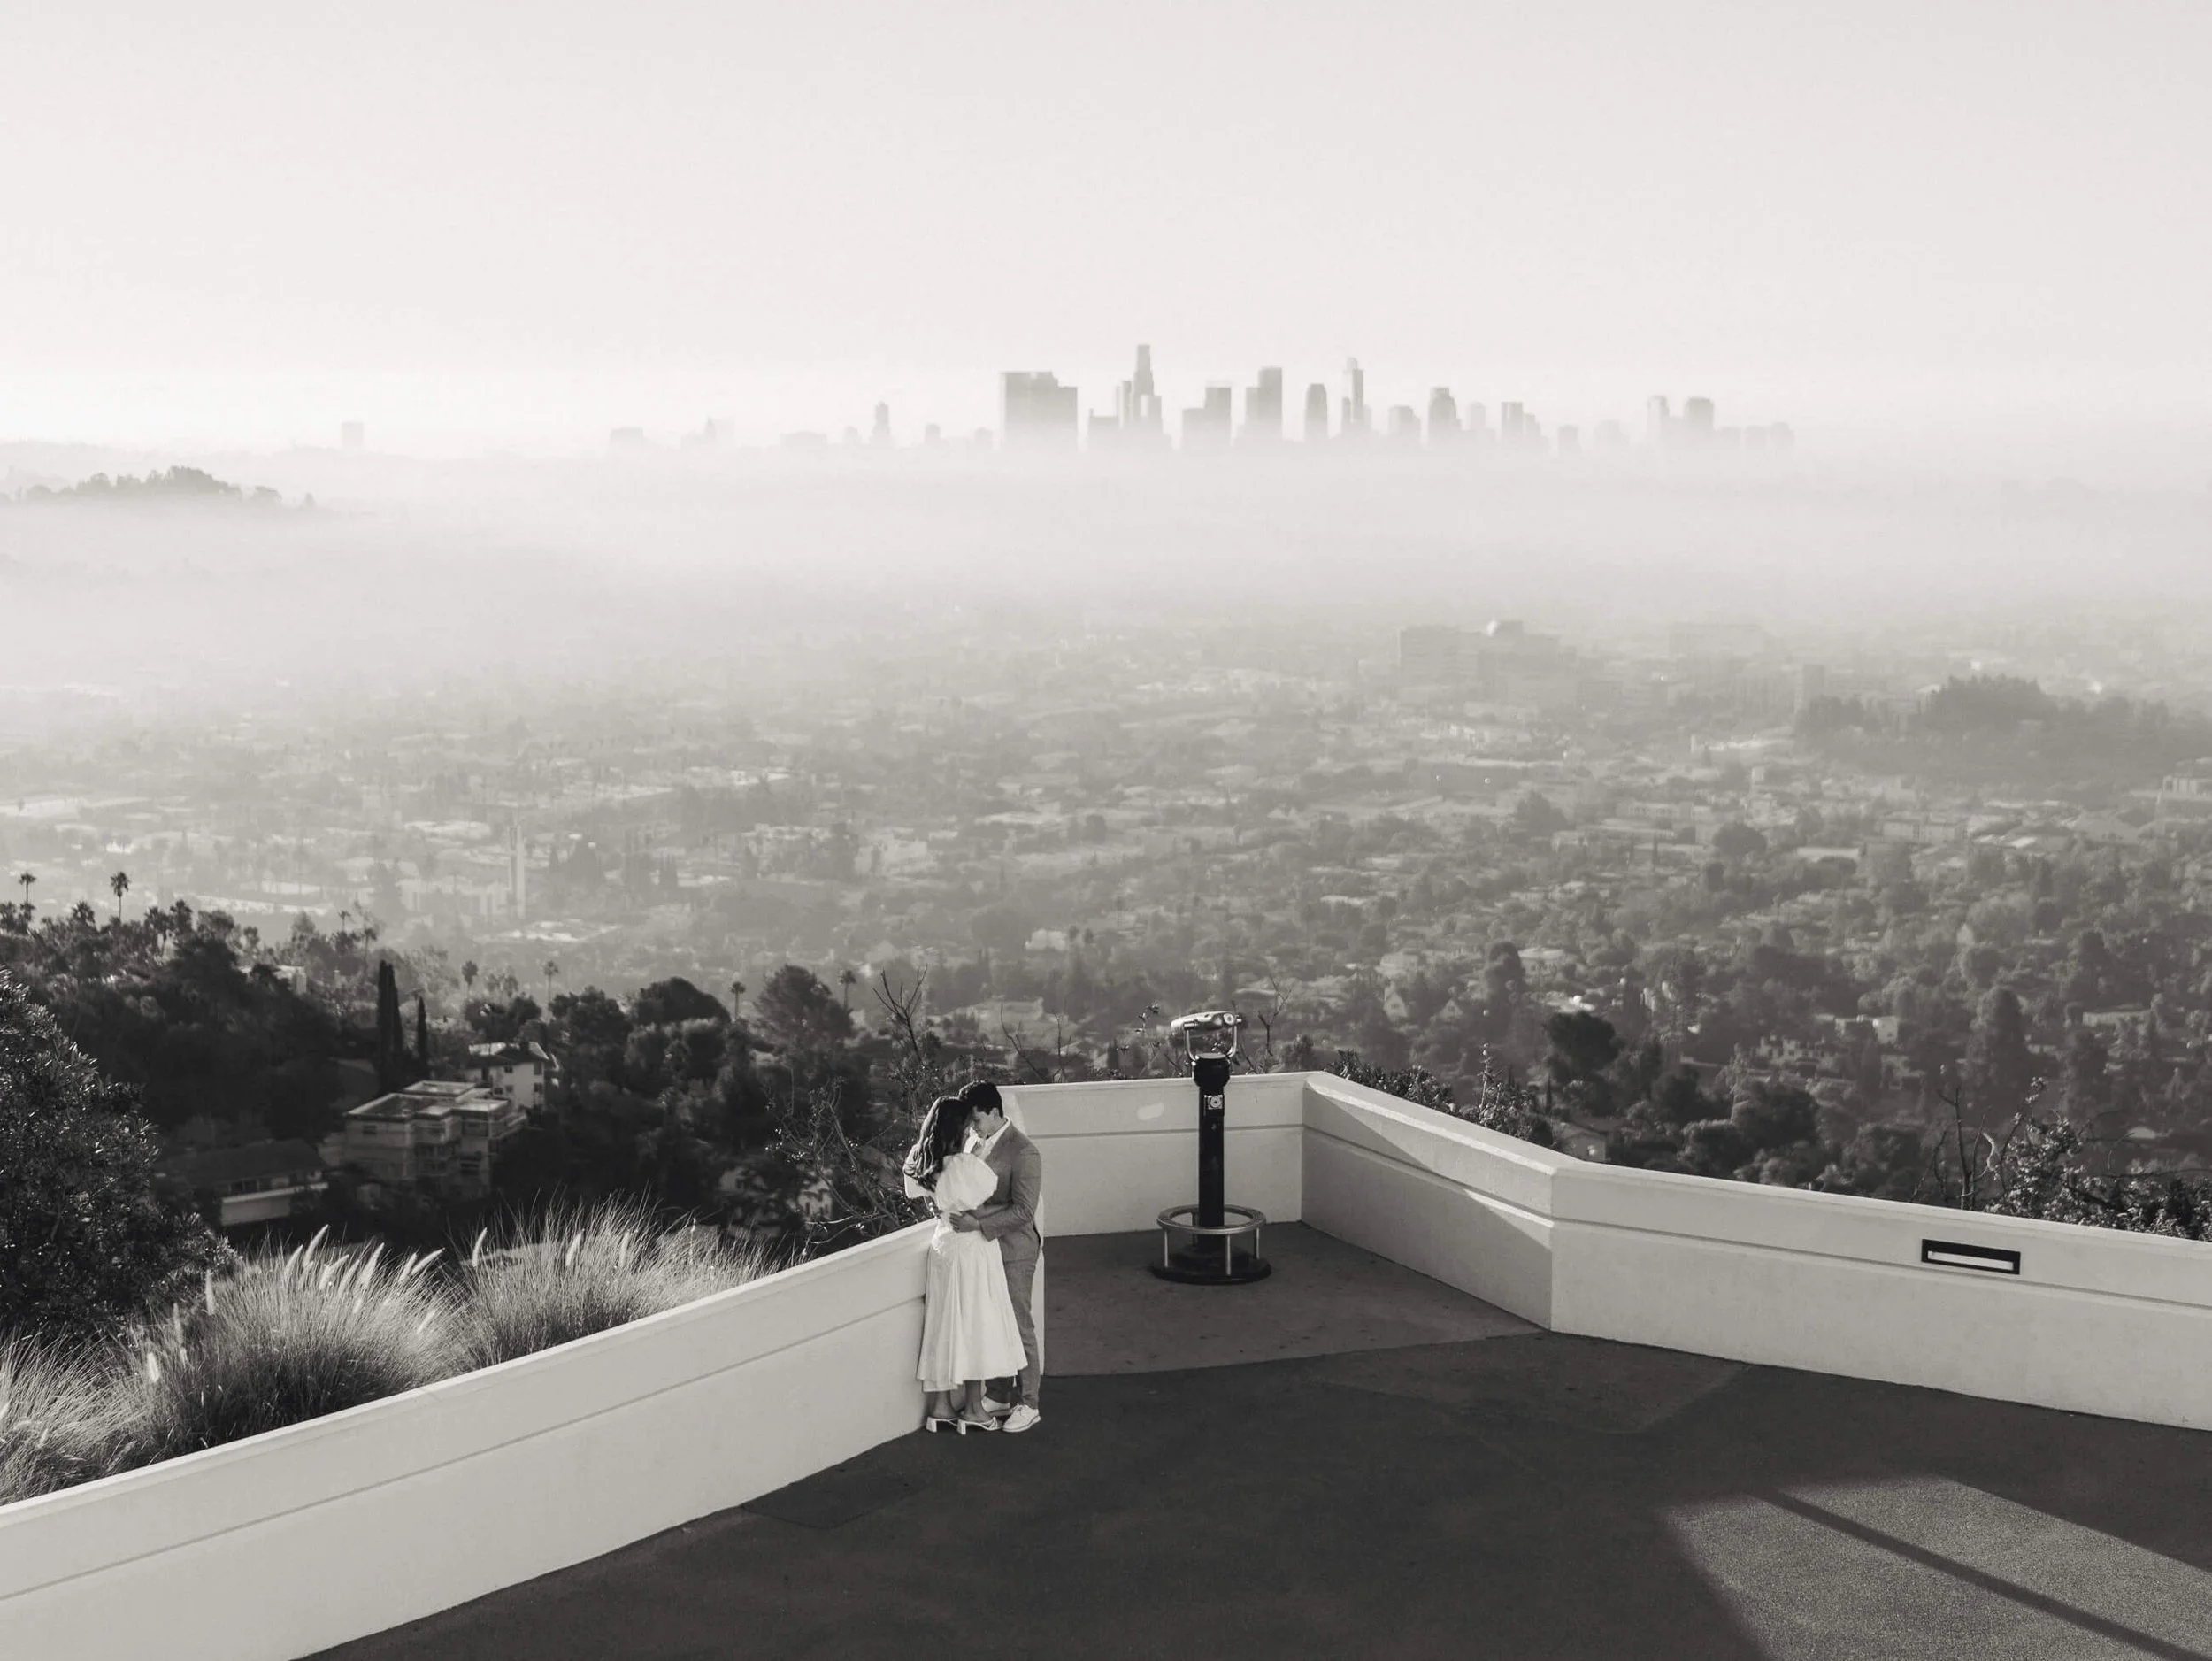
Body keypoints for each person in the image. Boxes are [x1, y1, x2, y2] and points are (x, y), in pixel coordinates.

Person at [902, 1090, 1028, 1434]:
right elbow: (986, 1202)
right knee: (975, 1324)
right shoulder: (968, 1167)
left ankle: (940, 1406)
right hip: (972, 1248)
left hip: (942, 1245)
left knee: (943, 1324)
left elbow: (918, 1193)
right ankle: (974, 1409)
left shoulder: (918, 1161)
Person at [948, 1080, 1043, 1434]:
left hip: (1016, 1250)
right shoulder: (975, 1142)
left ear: (993, 1112)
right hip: (985, 1252)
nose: (972, 1127)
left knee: (1019, 1325)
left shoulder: (1024, 1152)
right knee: (994, 1323)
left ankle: (1029, 1402)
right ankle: (1000, 1394)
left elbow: (1023, 1211)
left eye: (976, 1119)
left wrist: (978, 1222)